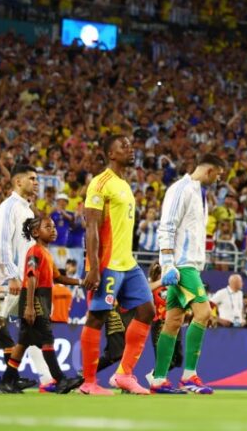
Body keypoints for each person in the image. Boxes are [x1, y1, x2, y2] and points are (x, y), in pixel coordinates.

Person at [80, 135, 156, 395]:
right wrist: (93, 266)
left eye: (131, 145)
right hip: (108, 263)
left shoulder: (124, 184)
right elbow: (91, 226)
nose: (130, 148)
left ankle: (124, 374)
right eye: (123, 146)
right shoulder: (100, 183)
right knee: (97, 317)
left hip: (129, 263)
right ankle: (89, 382)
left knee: (147, 311)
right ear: (110, 154)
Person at [147, 153, 226, 394]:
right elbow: (167, 226)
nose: (218, 179)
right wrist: (168, 263)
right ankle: (189, 376)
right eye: (218, 174)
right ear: (209, 170)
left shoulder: (199, 193)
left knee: (172, 322)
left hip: (189, 265)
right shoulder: (181, 189)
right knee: (203, 314)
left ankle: (158, 378)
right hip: (182, 266)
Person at [0, 164, 51, 392]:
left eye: (37, 178)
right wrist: (13, 276)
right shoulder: (8, 208)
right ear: (18, 182)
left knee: (31, 325)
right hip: (8, 282)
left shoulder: (26, 210)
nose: (36, 182)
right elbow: (1, 245)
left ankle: (45, 379)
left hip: (20, 280)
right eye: (32, 178)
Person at [0, 217, 84, 394]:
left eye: (53, 227)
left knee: (23, 342)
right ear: (36, 233)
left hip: (40, 298)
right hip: (34, 299)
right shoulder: (34, 251)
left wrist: (82, 281)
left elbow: (58, 278)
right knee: (47, 338)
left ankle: (6, 382)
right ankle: (61, 380)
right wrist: (29, 306)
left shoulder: (46, 253)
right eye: (48, 227)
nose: (53, 230)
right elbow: (31, 277)